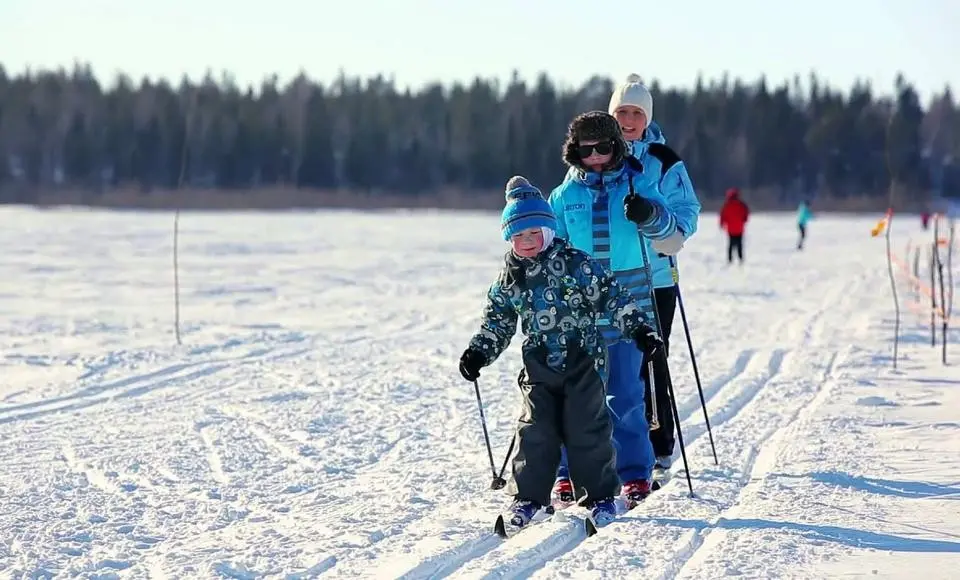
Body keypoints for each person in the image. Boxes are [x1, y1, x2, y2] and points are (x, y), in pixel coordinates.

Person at [457, 175, 663, 529]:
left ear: (548, 231)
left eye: (533, 234)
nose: (527, 243)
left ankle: (600, 496)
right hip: (539, 363)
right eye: (518, 237)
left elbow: (611, 296)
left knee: (587, 428)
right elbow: (498, 321)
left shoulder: (574, 263)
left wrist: (640, 330)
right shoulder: (510, 278)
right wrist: (478, 353)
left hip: (583, 359)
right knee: (535, 429)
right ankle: (528, 498)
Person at [547, 111, 681, 506]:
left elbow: (668, 234)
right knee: (577, 394)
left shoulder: (638, 181)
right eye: (585, 150)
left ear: (616, 147)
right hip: (583, 309)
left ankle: (635, 472)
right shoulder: (564, 195)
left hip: (629, 303)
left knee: (626, 393)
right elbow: (553, 250)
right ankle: (568, 472)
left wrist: (649, 214)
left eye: (603, 148)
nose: (595, 157)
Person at [608, 74, 702, 469]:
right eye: (622, 112)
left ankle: (659, 443)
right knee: (610, 365)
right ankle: (611, 447)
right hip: (607, 279)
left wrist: (652, 217)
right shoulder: (594, 156)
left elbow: (687, 217)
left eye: (636, 113)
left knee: (649, 360)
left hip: (656, 279)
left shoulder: (664, 161)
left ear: (647, 119)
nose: (628, 120)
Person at [719, 188, 750, 264]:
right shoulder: (741, 204)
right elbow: (746, 214)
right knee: (739, 244)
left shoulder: (726, 205)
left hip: (730, 228)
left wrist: (722, 224)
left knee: (731, 244)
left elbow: (722, 215)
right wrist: (744, 220)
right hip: (739, 228)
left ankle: (730, 259)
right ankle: (740, 258)